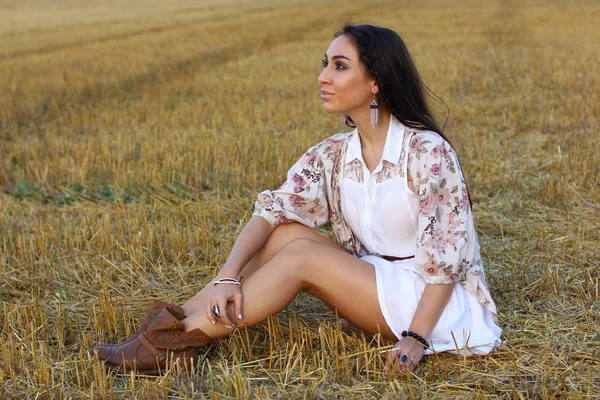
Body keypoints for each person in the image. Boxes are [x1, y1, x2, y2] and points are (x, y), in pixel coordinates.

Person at [90, 23, 502, 375]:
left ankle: (172, 344)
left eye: (340, 67)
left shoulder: (427, 152)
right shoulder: (334, 154)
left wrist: (415, 338)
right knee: (286, 233)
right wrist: (230, 275)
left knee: (302, 257)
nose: (324, 76)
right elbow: (272, 211)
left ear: (375, 81)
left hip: (434, 306)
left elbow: (445, 263)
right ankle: (179, 318)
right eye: (325, 64)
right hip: (378, 281)